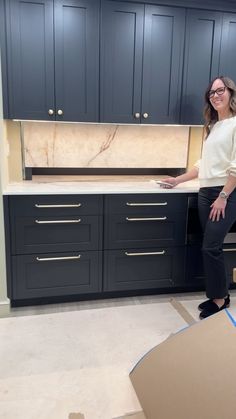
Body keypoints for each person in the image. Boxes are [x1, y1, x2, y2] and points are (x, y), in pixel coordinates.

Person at [161, 76, 236, 319]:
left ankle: (220, 298)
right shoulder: (213, 127)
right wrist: (178, 180)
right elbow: (204, 165)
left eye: (220, 90)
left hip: (225, 192)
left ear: (231, 93)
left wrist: (224, 195)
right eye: (211, 93)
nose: (215, 95)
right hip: (206, 193)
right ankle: (218, 295)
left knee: (210, 246)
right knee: (211, 247)